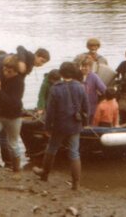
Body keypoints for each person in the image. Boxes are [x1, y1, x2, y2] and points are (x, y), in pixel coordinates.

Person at [33, 62, 89, 191]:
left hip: (59, 126)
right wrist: (85, 124)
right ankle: (76, 184)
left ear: (61, 74)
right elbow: (86, 108)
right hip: (75, 125)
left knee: (51, 148)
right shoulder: (80, 87)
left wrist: (47, 128)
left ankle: (44, 174)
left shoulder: (55, 88)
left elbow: (50, 111)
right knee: (74, 152)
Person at [20, 69, 61, 159]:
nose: (55, 83)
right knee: (40, 120)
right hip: (47, 106)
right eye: (53, 81)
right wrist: (41, 108)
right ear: (50, 79)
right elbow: (41, 96)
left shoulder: (60, 83)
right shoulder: (45, 84)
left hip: (56, 108)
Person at [79, 56, 106, 124]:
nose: (83, 68)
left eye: (86, 66)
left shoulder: (94, 77)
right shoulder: (77, 76)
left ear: (90, 67)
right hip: (79, 107)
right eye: (82, 66)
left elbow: (104, 90)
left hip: (91, 106)